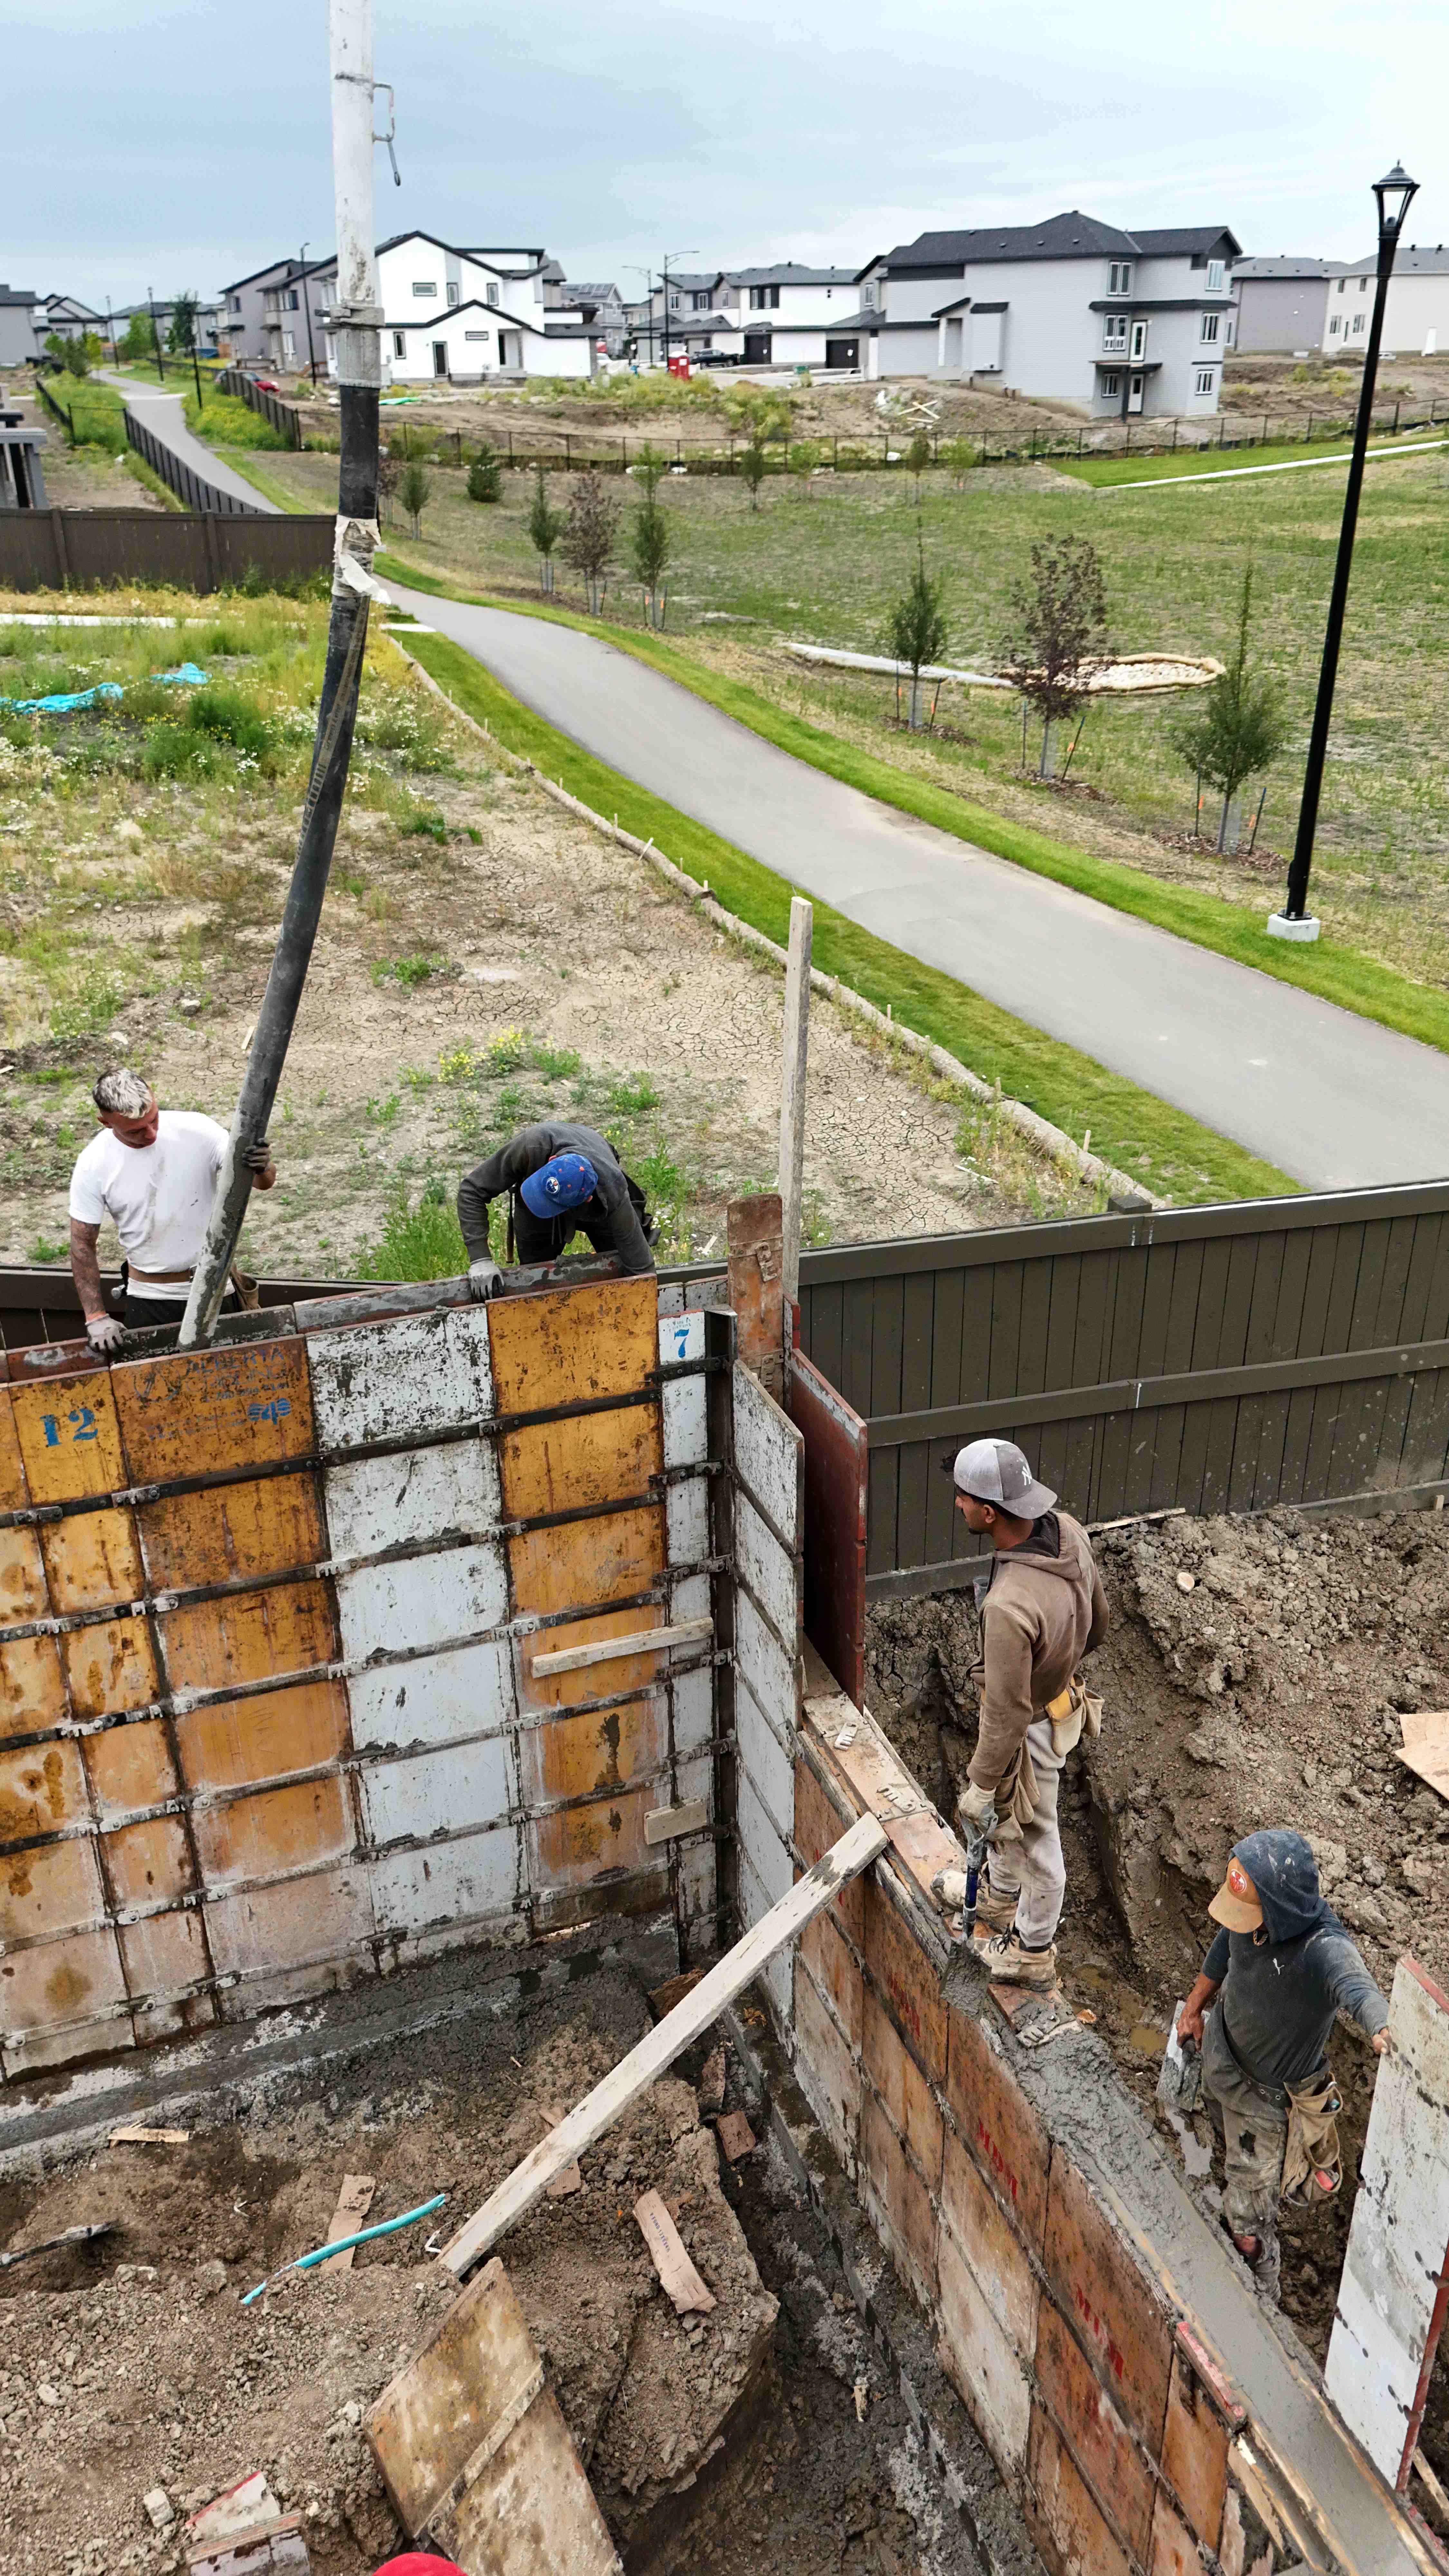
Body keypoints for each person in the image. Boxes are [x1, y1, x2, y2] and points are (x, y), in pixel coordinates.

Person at [1176, 1830, 1389, 2303]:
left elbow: (1357, 1986)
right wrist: (1194, 2009)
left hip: (1264, 2110)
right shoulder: (1250, 1917)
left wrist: (1381, 2026)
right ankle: (1231, 2191)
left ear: (1281, 1908)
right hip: (1222, 2060)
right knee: (1223, 2153)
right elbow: (1222, 1952)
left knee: (1248, 2228)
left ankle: (1260, 2300)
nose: (1242, 1924)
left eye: (1249, 1914)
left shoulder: (1322, 1949)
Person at [947, 1437, 1109, 1990]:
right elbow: (1101, 1624)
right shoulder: (1068, 1533)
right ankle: (999, 1896)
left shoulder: (1009, 1605)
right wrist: (1056, 1660)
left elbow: (1006, 1711)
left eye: (964, 1498)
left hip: (1032, 1727)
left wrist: (981, 1783)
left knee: (1036, 1837)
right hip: (1059, 1701)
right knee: (1009, 1829)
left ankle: (1033, 1949)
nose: (958, 1506)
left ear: (990, 1512)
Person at [68, 1069, 275, 1350]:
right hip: (151, 1298)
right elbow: (82, 1243)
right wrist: (95, 1316)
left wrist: (263, 1166)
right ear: (105, 1122)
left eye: (153, 1119)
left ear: (153, 1097)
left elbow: (263, 1183)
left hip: (217, 1290)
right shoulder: (94, 1164)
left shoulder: (198, 1130)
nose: (151, 1133)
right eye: (136, 1131)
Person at [456, 1120, 655, 1297]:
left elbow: (642, 1268)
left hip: (599, 1199)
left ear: (586, 1201)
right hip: (538, 1176)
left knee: (619, 1263)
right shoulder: (532, 1147)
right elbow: (472, 1190)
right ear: (552, 1161)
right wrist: (480, 1259)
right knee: (535, 1278)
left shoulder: (614, 1192)